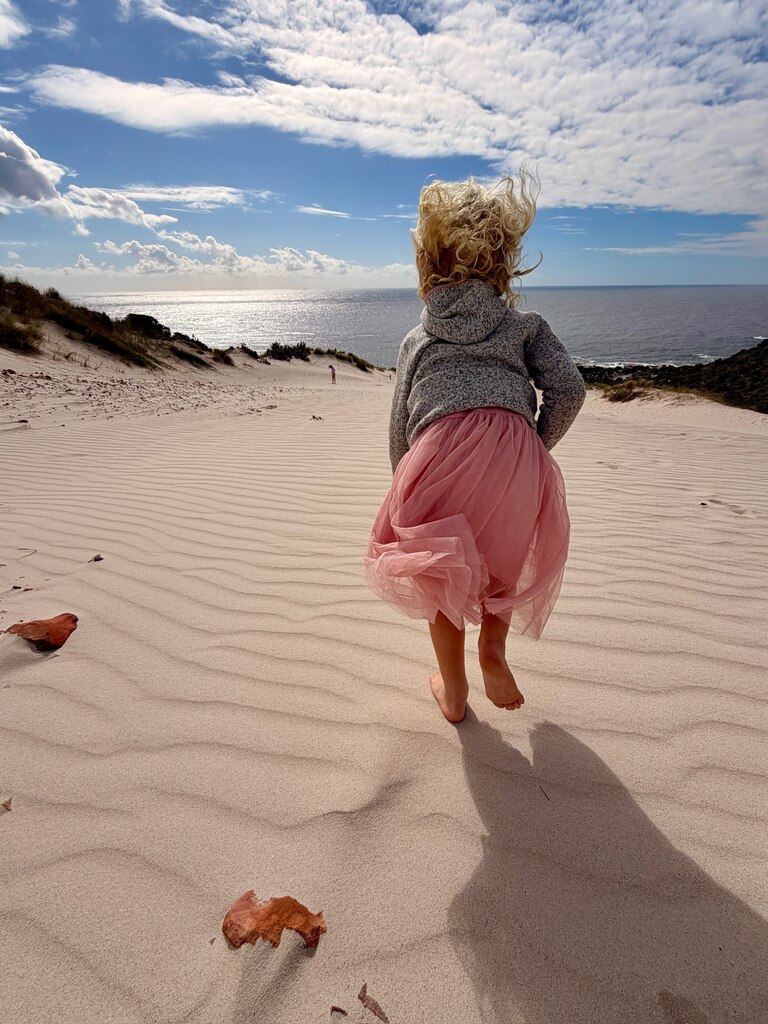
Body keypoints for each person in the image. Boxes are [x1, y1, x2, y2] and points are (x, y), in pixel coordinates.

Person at [364, 173, 586, 724]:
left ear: (426, 269)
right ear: (503, 264)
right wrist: (535, 443)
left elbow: (400, 423)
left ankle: (455, 689)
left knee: (442, 574)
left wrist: (404, 483)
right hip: (513, 454)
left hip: (436, 455)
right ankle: (494, 650)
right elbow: (570, 389)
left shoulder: (418, 339)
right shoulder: (524, 325)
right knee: (502, 564)